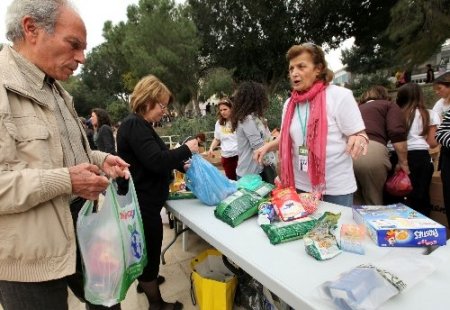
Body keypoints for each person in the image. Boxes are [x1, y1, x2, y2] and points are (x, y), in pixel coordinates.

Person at [0, 1, 130, 310]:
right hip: (29, 260)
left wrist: (98, 159)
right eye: (74, 45)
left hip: (83, 227)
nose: (82, 59)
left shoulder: (56, 90)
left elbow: (57, 154)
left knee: (109, 300)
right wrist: (67, 181)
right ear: (31, 29)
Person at [116, 74, 198, 310]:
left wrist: (179, 164)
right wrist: (185, 149)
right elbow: (155, 160)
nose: (164, 110)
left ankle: (146, 282)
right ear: (147, 100)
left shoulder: (140, 126)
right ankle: (157, 304)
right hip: (143, 204)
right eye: (162, 105)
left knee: (145, 248)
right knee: (151, 250)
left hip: (145, 201)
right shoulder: (134, 125)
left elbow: (155, 157)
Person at [255, 43, 367, 207]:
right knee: (304, 232)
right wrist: (267, 147)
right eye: (291, 68)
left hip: (335, 188)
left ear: (318, 69)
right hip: (300, 186)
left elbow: (358, 133)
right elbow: (289, 138)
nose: (294, 73)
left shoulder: (340, 96)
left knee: (335, 232)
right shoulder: (289, 104)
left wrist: (359, 137)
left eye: (301, 66)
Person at [384, 83, 440, 216]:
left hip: (395, 154)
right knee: (420, 196)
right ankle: (421, 230)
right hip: (420, 157)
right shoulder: (430, 114)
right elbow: (432, 143)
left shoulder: (393, 114)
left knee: (395, 192)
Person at [353, 86, 409, 205]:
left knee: (355, 202)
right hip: (370, 151)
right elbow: (396, 132)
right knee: (373, 201)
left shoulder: (356, 108)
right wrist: (403, 162)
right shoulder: (388, 105)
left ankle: (353, 224)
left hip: (347, 153)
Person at [230, 81, 275, 182]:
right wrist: (277, 142)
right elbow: (258, 146)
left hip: (254, 170)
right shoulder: (247, 119)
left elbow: (265, 138)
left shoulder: (254, 117)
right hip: (250, 174)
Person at [208, 98, 238, 180]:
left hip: (239, 156)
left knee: (242, 181)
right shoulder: (219, 123)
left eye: (225, 109)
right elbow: (217, 139)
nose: (223, 112)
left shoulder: (238, 121)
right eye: (221, 110)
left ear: (231, 109)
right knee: (231, 181)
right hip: (226, 157)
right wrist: (211, 148)